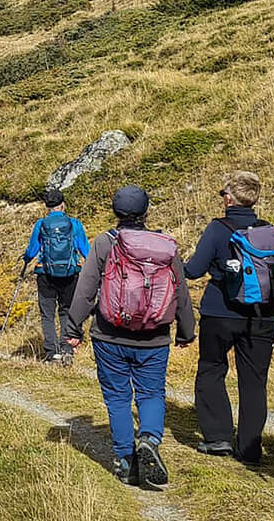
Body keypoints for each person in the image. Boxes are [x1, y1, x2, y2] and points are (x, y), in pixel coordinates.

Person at [64, 185, 194, 487]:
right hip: (156, 336)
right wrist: (187, 330)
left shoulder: (106, 243)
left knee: (117, 397)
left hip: (110, 335)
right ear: (146, 212)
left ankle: (126, 461)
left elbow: (86, 289)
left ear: (115, 212)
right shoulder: (165, 245)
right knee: (151, 393)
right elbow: (180, 292)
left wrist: (73, 328)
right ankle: (149, 437)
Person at [182, 171, 274, 463]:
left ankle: (218, 438)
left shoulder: (217, 229)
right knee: (254, 381)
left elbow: (194, 270)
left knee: (212, 370)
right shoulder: (269, 230)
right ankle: (250, 448)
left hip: (220, 312)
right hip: (263, 315)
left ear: (229, 198)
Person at [22, 187, 89, 364]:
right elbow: (85, 250)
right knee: (66, 311)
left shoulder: (41, 224)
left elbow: (32, 250)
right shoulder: (74, 224)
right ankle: (67, 348)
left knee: (47, 314)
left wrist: (26, 258)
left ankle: (52, 353)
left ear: (47, 207)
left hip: (45, 274)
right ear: (63, 205)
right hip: (70, 273)